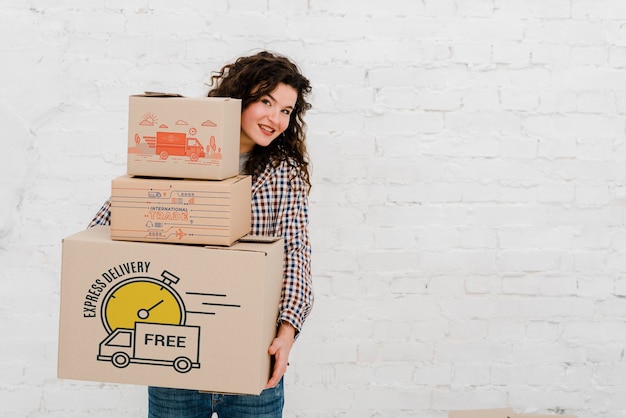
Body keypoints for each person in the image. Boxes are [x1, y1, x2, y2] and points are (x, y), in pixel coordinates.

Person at [88, 50, 314, 417]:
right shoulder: (178, 155)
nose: (276, 118)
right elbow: (105, 227)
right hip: (173, 349)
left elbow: (296, 256)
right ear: (240, 98)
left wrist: (286, 334)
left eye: (286, 111)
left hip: (251, 356)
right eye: (266, 101)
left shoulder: (282, 172)